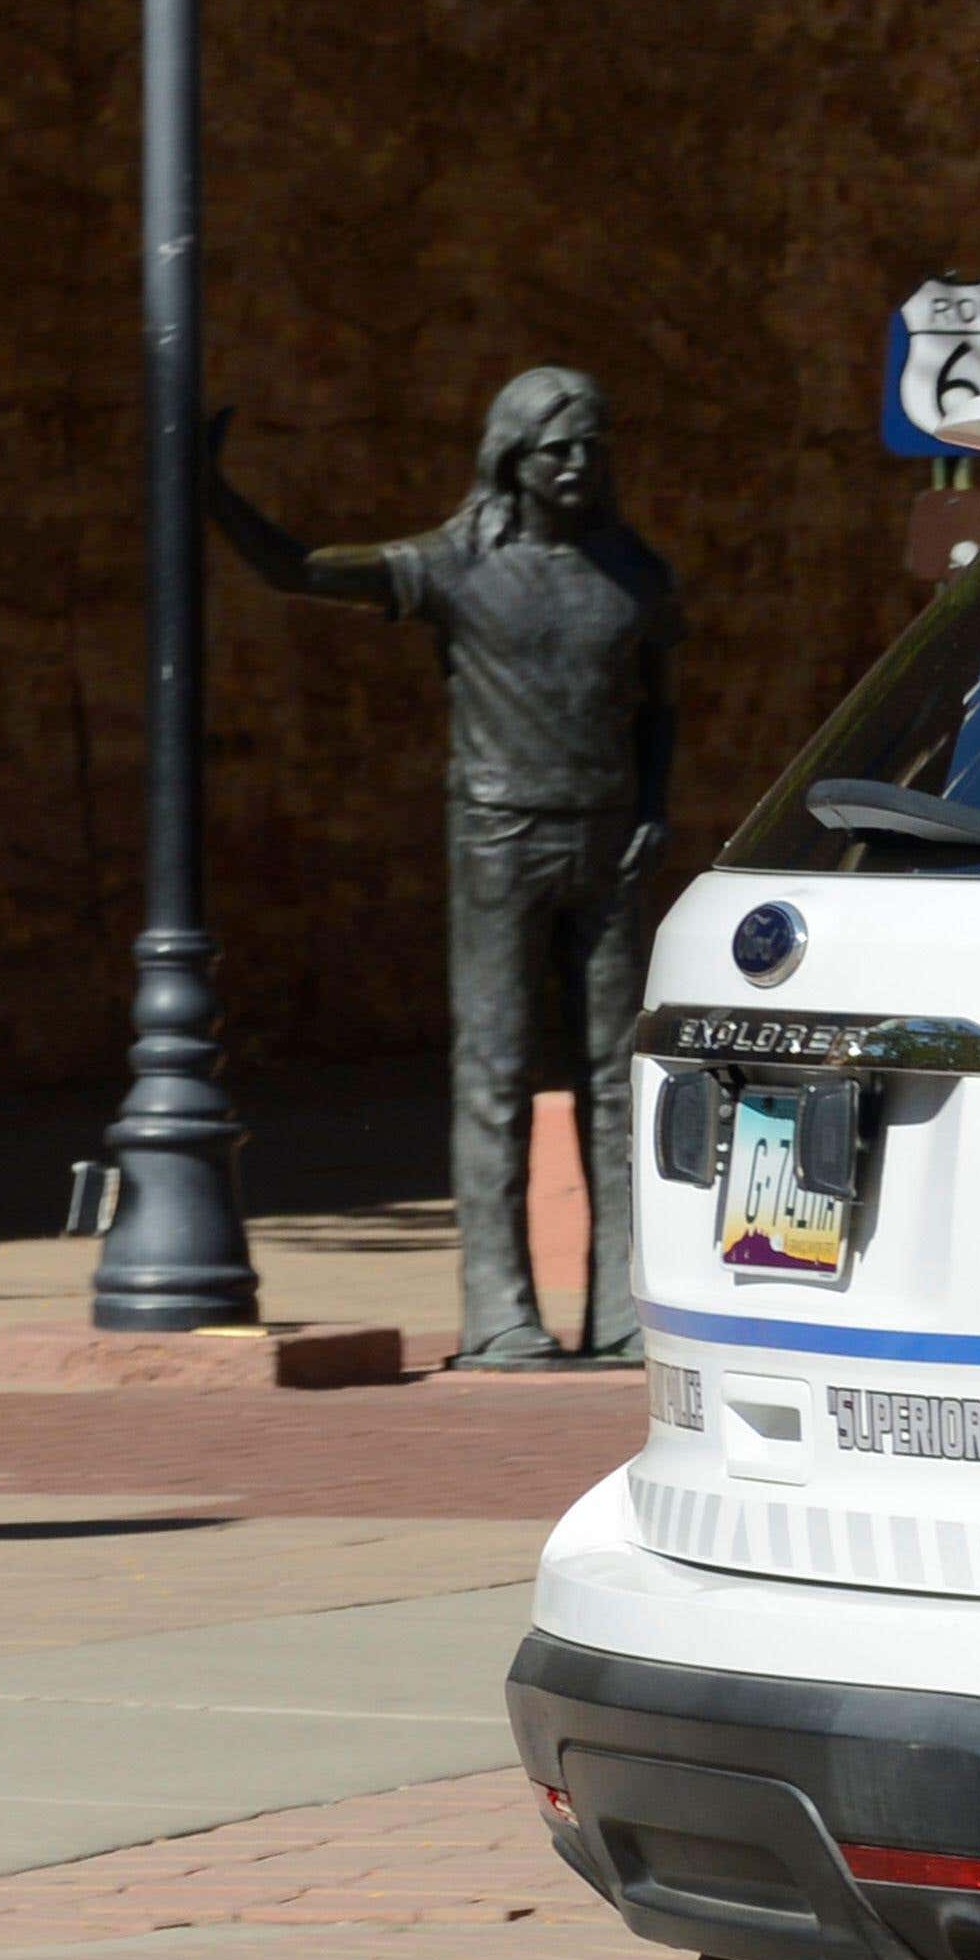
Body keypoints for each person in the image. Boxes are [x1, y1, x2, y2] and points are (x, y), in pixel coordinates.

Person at [204, 368, 678, 1363]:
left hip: (605, 841)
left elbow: (655, 707)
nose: (580, 465)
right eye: (559, 449)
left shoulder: (633, 569)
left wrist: (651, 808)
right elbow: (297, 568)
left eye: (595, 446)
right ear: (512, 457)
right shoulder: (455, 565)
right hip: (500, 838)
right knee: (496, 1074)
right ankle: (500, 1309)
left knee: (615, 1082)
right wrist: (206, 490)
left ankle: (623, 1307)